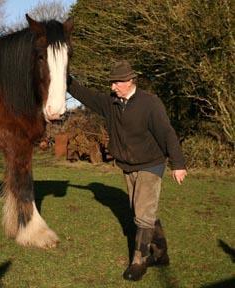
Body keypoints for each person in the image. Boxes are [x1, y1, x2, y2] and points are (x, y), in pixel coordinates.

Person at [67, 60, 187, 281]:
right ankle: (160, 253)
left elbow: (167, 133)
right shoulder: (111, 102)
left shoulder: (150, 103)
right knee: (141, 209)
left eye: (117, 82)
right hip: (128, 166)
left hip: (151, 163)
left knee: (142, 214)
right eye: (111, 82)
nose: (112, 87)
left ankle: (138, 262)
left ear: (131, 81)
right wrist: (64, 77)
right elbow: (85, 94)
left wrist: (178, 164)